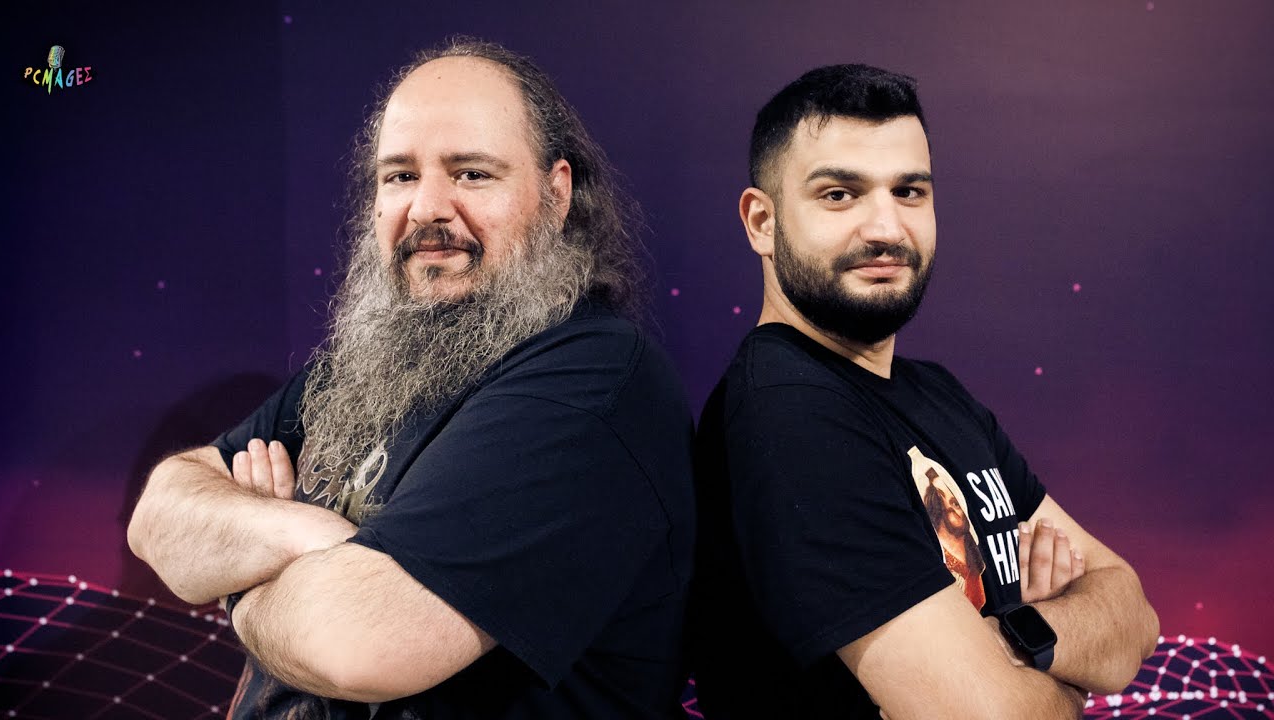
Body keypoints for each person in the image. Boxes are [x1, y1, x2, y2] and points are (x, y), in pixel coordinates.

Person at [127, 38, 695, 719]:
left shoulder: (594, 382)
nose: (427, 208)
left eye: (472, 174)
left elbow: (355, 646)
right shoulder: (372, 362)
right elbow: (160, 514)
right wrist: (313, 539)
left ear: (556, 194)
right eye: (399, 176)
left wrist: (238, 585)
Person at [689, 64, 1159, 719]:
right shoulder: (790, 412)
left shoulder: (936, 394)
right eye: (839, 195)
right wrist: (1071, 681)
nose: (886, 229)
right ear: (762, 222)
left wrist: (1018, 637)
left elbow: (1133, 612)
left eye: (908, 191)